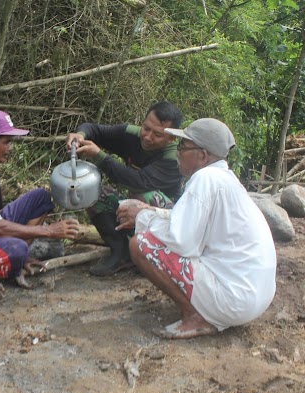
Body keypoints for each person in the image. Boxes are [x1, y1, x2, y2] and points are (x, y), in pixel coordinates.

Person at [116, 118, 276, 339]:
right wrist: (148, 212)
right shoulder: (224, 179)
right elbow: (185, 222)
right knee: (151, 235)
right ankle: (206, 310)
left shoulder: (205, 178)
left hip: (234, 299)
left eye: (183, 146)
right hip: (254, 298)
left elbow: (182, 241)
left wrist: (142, 216)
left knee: (141, 244)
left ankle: (194, 317)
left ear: (202, 155)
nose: (178, 152)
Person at [0, 109, 80, 299]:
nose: (10, 148)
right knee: (17, 249)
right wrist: (49, 231)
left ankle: (18, 261)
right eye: (6, 142)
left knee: (41, 197)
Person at [65, 101, 183, 276]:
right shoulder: (131, 135)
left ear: (172, 137)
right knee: (92, 191)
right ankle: (120, 252)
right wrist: (80, 135)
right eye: (146, 128)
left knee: (143, 193)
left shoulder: (173, 159)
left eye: (157, 134)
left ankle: (155, 254)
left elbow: (137, 181)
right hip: (135, 214)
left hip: (168, 223)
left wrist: (100, 156)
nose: (148, 137)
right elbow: (94, 130)